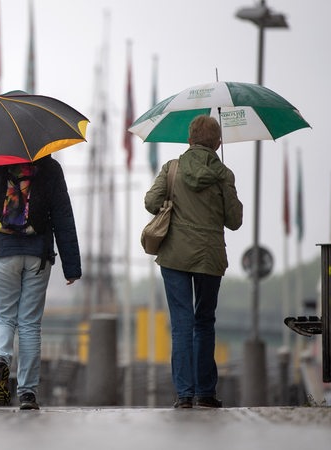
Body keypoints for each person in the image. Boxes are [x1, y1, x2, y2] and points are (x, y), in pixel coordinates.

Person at [144, 115, 243, 409]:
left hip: (174, 256)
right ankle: (206, 393)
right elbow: (235, 221)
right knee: (205, 322)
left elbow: (151, 202)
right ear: (218, 143)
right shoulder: (224, 174)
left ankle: (184, 395)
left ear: (189, 140)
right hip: (210, 258)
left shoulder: (172, 168)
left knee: (182, 324)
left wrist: (171, 202)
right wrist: (224, 186)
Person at [0, 154, 81, 410]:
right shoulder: (51, 168)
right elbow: (63, 218)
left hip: (2, 253)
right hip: (37, 255)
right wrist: (72, 267)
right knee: (30, 324)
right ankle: (28, 393)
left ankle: (0, 359)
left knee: (2, 317)